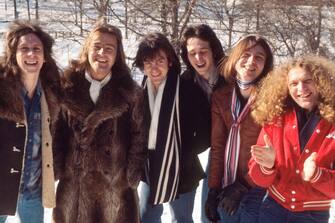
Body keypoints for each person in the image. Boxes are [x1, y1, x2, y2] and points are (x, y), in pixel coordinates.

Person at [52, 20, 147, 223]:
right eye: (97, 47)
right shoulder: (66, 87)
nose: (102, 53)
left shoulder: (131, 92)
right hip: (74, 190)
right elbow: (56, 132)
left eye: (109, 48)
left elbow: (139, 135)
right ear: (87, 49)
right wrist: (59, 167)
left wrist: (131, 173)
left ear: (117, 54)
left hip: (115, 190)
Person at [134, 32, 210, 222]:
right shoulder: (138, 91)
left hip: (183, 170)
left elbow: (206, 131)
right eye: (148, 61)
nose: (154, 67)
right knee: (145, 217)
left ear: (169, 61)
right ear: (142, 65)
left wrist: (184, 153)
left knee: (181, 219)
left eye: (160, 60)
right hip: (151, 167)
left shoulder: (187, 89)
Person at [249, 55, 335, 223]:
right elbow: (258, 179)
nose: (301, 88)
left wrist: (318, 175)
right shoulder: (276, 118)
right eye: (293, 84)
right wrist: (266, 167)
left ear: (321, 82)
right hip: (272, 209)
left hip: (312, 216)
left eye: (307, 81)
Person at [206, 35, 274, 223]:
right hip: (228, 182)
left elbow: (272, 150)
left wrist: (242, 185)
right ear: (235, 58)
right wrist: (213, 189)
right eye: (246, 54)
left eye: (259, 57)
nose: (251, 61)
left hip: (257, 185)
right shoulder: (221, 96)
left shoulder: (272, 98)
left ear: (265, 65)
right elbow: (218, 146)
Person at [0, 20, 61, 223]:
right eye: (23, 49)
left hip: (32, 189)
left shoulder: (53, 94)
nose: (31, 54)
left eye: (37, 49)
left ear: (44, 57)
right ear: (13, 55)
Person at [180, 24, 225, 223]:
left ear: (213, 50)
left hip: (234, 151)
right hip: (206, 150)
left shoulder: (231, 75)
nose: (198, 58)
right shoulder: (186, 82)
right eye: (192, 53)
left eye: (203, 51)